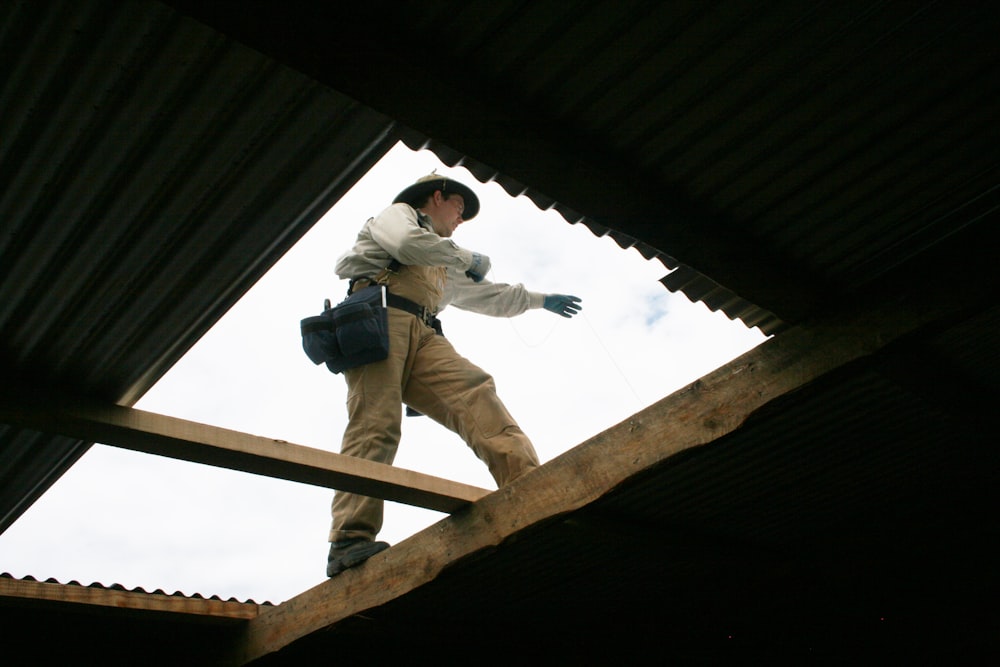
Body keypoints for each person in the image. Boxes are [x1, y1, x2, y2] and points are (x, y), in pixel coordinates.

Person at [326, 172, 582, 577]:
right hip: (378, 317)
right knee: (377, 422)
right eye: (459, 208)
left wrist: (540, 300)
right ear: (437, 196)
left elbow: (489, 296)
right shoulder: (398, 215)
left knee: (476, 391)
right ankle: (349, 539)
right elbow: (408, 244)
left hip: (424, 332)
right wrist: (467, 257)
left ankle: (531, 491)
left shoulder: (441, 262)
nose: (461, 220)